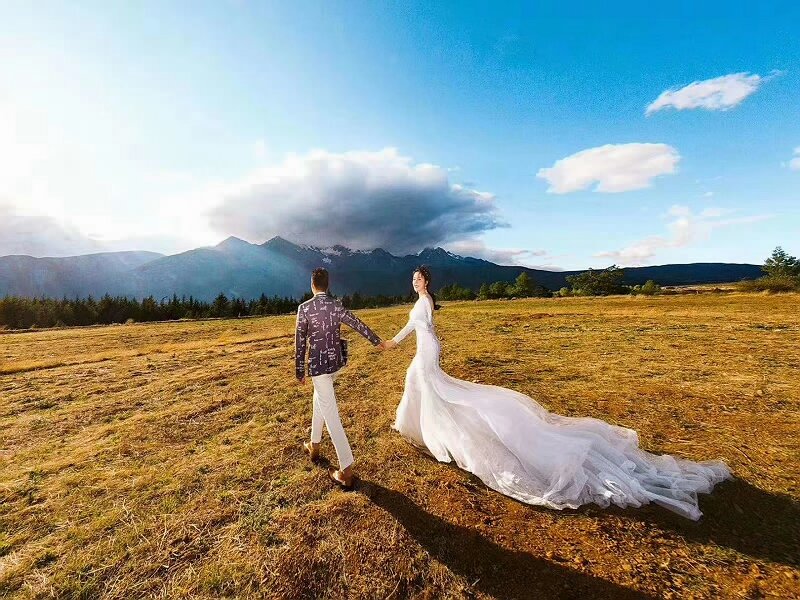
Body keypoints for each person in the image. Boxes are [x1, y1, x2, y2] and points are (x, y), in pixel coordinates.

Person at [382, 265, 732, 520]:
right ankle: (416, 426)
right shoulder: (423, 301)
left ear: (427, 281)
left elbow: (418, 327)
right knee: (421, 384)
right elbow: (415, 327)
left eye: (418, 278)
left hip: (426, 351)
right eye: (412, 279)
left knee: (427, 384)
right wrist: (393, 342)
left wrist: (395, 343)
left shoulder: (425, 302)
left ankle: (426, 430)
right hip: (426, 348)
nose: (415, 282)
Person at [295, 267, 385, 489]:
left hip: (318, 367)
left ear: (312, 284)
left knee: (331, 414)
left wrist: (299, 370)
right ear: (328, 285)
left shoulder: (304, 308)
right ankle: (314, 444)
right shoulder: (336, 305)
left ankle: (346, 470)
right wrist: (376, 341)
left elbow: (300, 342)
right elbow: (357, 323)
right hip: (335, 364)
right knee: (320, 399)